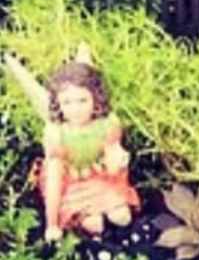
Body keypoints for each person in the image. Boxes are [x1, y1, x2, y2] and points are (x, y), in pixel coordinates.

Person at [4, 45, 140, 241]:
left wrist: (118, 160)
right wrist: (52, 224)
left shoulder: (107, 124)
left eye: (82, 100)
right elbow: (54, 179)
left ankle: (109, 220)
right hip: (70, 182)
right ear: (58, 104)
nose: (76, 109)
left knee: (122, 217)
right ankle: (85, 221)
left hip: (98, 176)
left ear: (96, 98)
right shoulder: (58, 134)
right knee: (95, 224)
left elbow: (113, 161)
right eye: (67, 102)